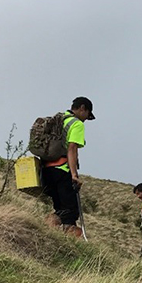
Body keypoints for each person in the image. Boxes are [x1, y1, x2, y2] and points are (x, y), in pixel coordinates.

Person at [42, 96, 95, 238]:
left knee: (61, 209)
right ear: (82, 108)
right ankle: (51, 231)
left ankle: (54, 235)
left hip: (46, 170)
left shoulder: (59, 120)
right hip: (62, 170)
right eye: (87, 115)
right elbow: (72, 148)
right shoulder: (76, 124)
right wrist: (74, 175)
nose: (86, 119)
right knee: (71, 211)